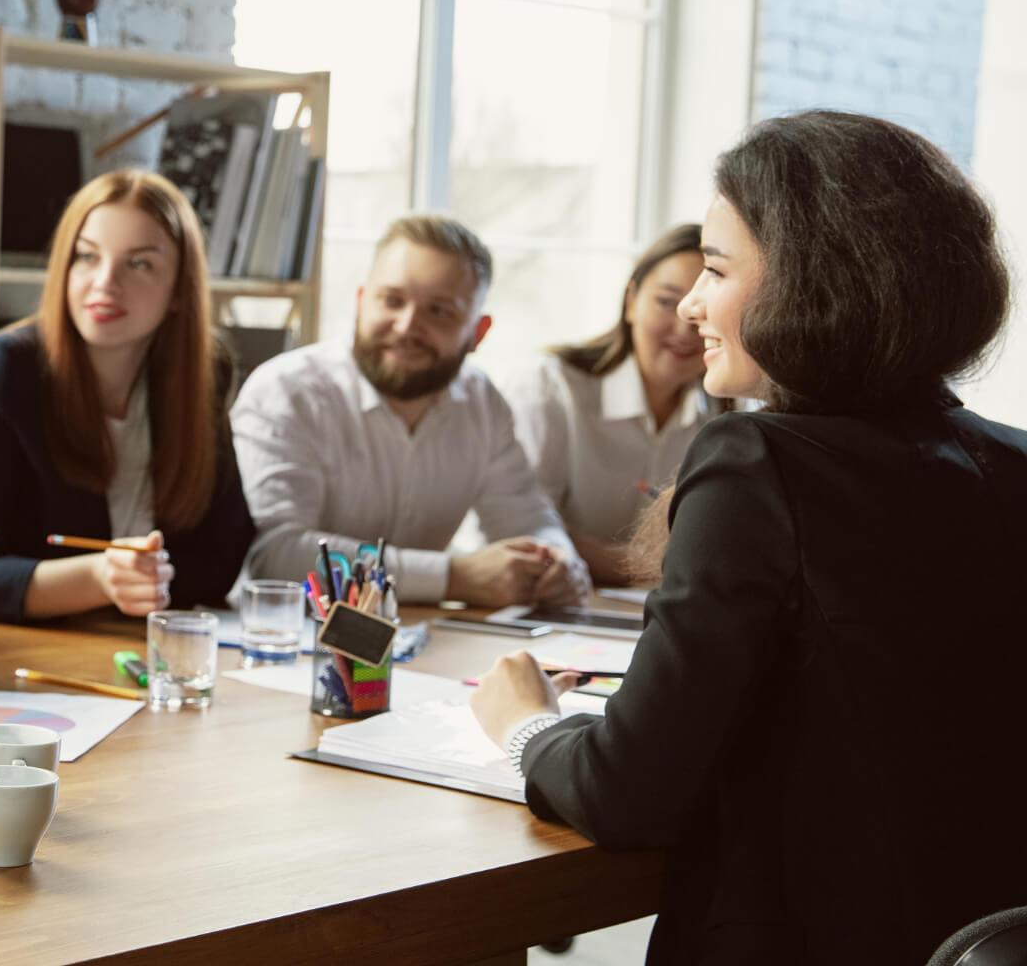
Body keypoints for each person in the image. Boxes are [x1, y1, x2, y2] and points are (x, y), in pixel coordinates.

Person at [470, 111, 1027, 964]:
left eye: (717, 270)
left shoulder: (753, 461)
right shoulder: (1012, 462)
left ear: (815, 283)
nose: (692, 304)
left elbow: (626, 795)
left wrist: (526, 726)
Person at [0, 169, 254, 621]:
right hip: (20, 661)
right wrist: (98, 579)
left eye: (139, 264)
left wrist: (148, 580)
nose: (105, 282)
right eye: (87, 257)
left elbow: (220, 556)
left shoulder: (201, 374)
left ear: (179, 291)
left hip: (141, 652)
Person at [232, 214, 591, 607]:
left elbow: (527, 519)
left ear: (478, 332)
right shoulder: (287, 392)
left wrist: (559, 561)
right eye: (391, 300)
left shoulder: (482, 402)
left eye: (439, 311)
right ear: (360, 300)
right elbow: (277, 556)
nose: (406, 326)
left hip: (420, 643)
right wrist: (453, 578)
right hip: (282, 644)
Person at [502, 224, 722, 585]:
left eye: (706, 309)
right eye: (667, 302)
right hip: (538, 599)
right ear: (631, 301)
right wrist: (644, 567)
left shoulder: (725, 415)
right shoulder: (551, 387)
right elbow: (521, 526)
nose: (685, 328)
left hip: (646, 612)